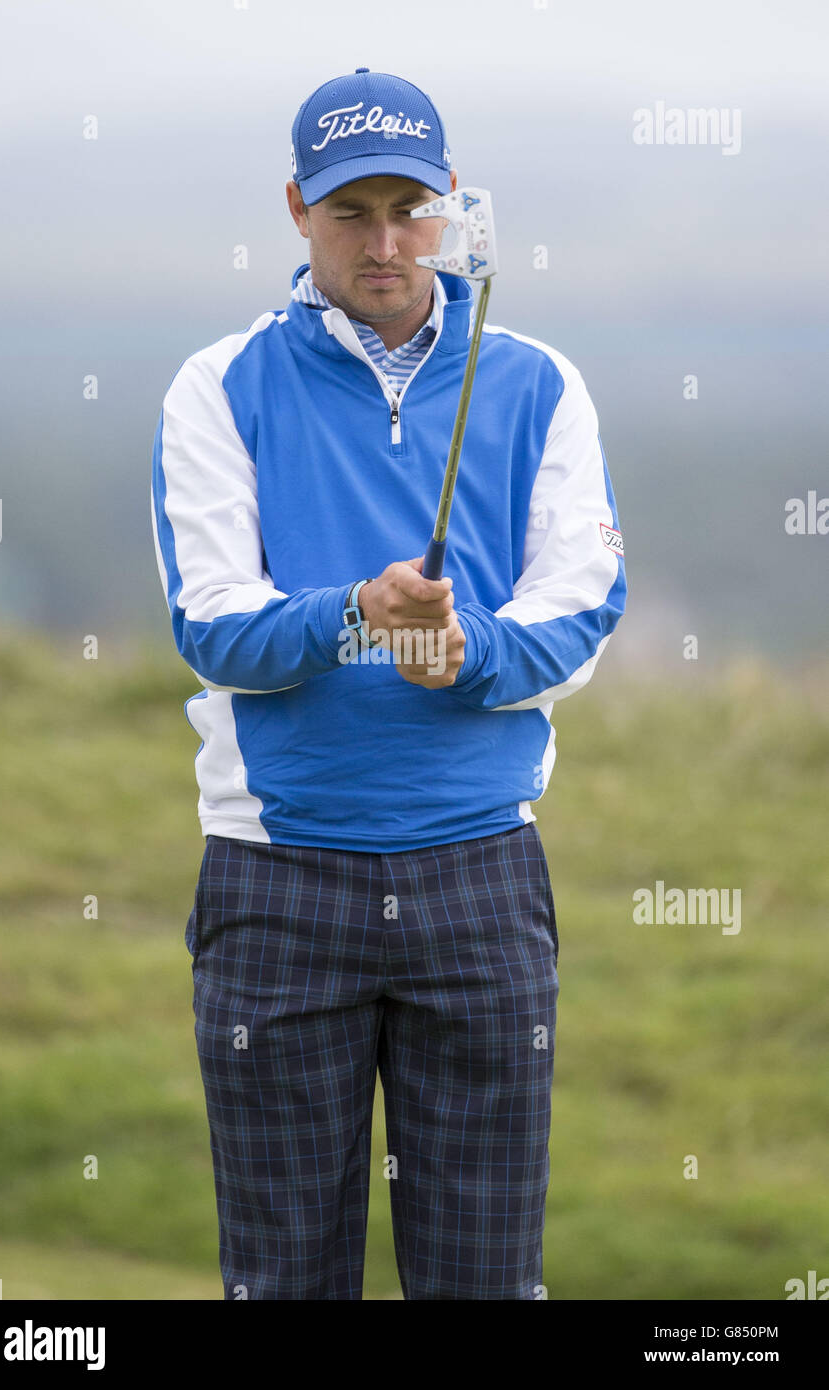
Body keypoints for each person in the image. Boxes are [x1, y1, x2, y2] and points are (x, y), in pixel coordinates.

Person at [150, 66, 626, 1301]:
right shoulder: (219, 385)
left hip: (478, 869)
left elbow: (578, 607)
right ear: (297, 208)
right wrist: (356, 611)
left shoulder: (537, 382)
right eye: (350, 212)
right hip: (275, 871)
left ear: (452, 206)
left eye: (409, 208)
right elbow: (214, 627)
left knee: (481, 1278)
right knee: (284, 1279)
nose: (384, 241)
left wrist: (469, 655)